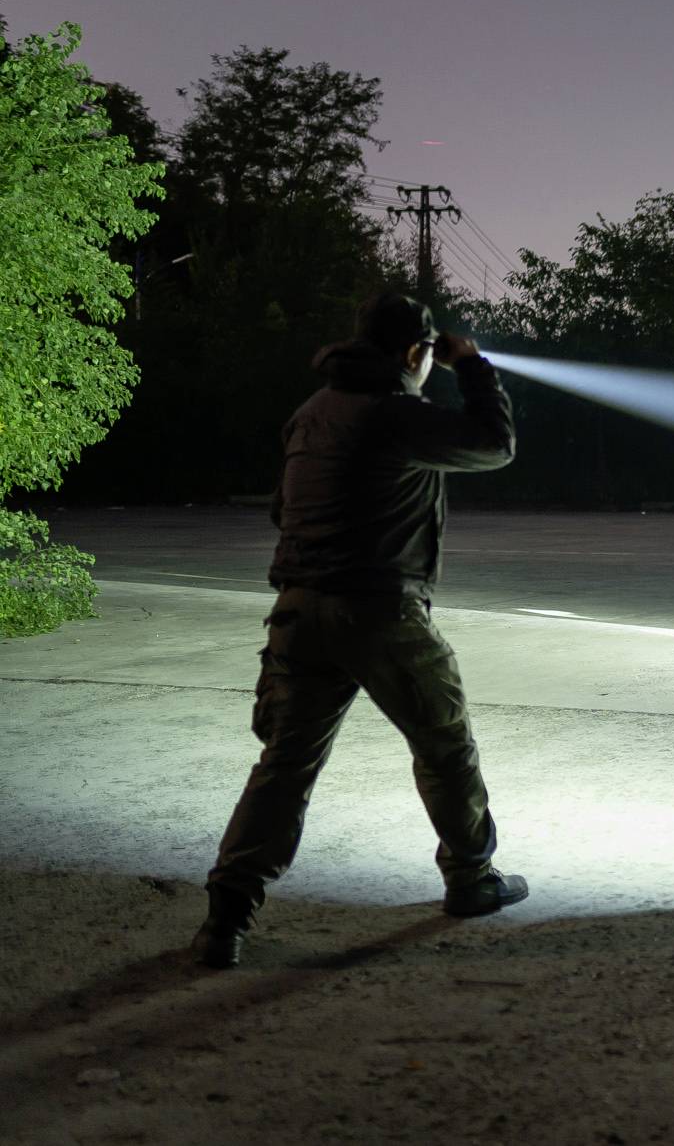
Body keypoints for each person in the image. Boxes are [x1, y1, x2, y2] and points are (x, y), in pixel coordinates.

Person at [192, 292, 526, 969]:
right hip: (379, 610)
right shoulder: (397, 412)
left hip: (299, 610)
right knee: (444, 745)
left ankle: (225, 918)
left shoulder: (311, 412)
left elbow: (282, 509)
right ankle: (471, 878)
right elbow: (495, 445)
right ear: (414, 352)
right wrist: (472, 367)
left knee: (285, 766)